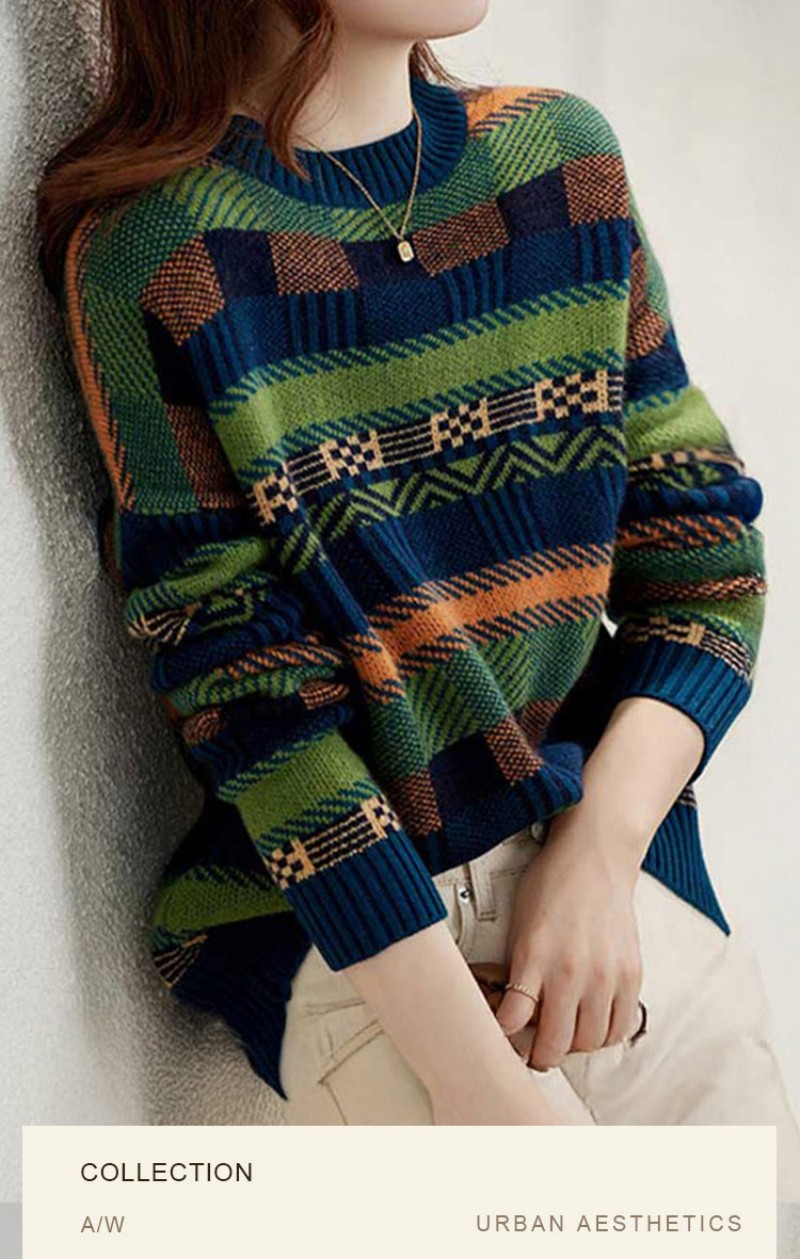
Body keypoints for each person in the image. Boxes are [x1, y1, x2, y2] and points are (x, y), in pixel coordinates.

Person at [36, 0, 800, 1195]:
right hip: (376, 958)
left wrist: (602, 851)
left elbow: (704, 561)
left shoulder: (558, 162)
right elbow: (253, 705)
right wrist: (478, 1086)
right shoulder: (160, 253)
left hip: (620, 899)